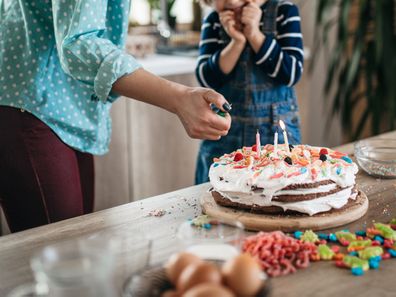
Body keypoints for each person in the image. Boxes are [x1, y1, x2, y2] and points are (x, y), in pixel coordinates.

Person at [0, 0, 231, 233]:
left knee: (76, 243)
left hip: (66, 106)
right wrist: (180, 98)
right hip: (28, 103)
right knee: (58, 249)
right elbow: (80, 43)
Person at [195, 0, 304, 184]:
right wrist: (237, 42)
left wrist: (254, 34)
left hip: (275, 135)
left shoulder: (284, 12)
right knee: (215, 197)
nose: (231, 1)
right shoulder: (214, 20)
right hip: (223, 136)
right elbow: (206, 79)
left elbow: (291, 73)